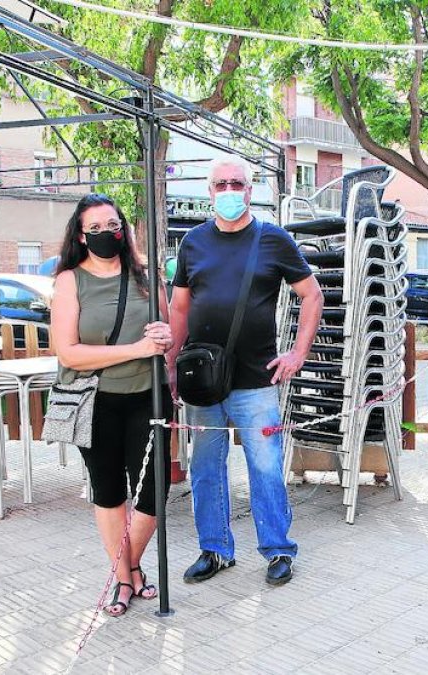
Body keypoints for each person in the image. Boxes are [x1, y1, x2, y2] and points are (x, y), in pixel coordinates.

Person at [168, 155, 324, 586]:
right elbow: (179, 307)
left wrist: (297, 354)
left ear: (250, 191)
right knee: (205, 469)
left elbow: (312, 295)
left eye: (236, 183)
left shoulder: (272, 239)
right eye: (221, 184)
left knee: (265, 468)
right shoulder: (193, 243)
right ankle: (215, 550)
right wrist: (171, 366)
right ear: (209, 191)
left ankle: (278, 549)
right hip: (203, 381)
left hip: (257, 379)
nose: (229, 191)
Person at [50, 193, 173, 617]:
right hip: (96, 400)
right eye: (96, 228)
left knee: (153, 491)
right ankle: (125, 578)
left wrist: (164, 339)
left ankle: (128, 566)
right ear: (82, 236)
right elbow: (68, 353)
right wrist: (136, 349)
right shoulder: (70, 281)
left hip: (149, 396)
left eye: (113, 225)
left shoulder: (145, 276)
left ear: (125, 230)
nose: (106, 234)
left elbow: (166, 328)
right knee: (109, 490)